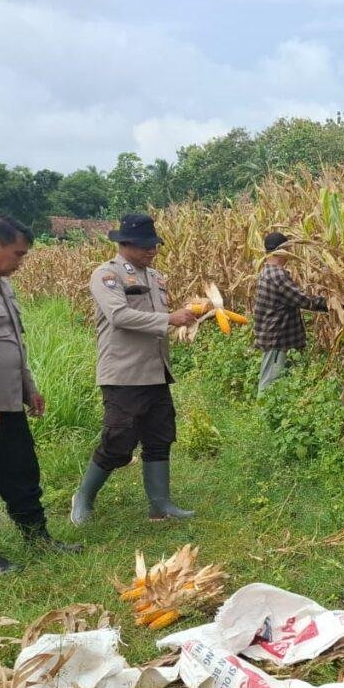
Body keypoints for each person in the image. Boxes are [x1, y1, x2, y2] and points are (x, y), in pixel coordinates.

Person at [70, 214, 197, 525]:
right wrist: (170, 319)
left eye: (153, 245)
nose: (151, 251)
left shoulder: (155, 278)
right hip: (124, 374)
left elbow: (157, 317)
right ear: (123, 244)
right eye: (143, 246)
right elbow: (119, 316)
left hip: (155, 372)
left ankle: (160, 505)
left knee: (160, 436)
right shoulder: (106, 275)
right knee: (118, 440)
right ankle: (83, 497)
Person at [0, 215, 80, 570]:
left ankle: (38, 539)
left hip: (9, 401)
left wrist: (29, 388)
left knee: (22, 471)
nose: (21, 262)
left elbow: (14, 345)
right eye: (17, 254)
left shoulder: (5, 286)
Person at [252, 232, 329, 393]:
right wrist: (332, 304)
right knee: (269, 384)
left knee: (279, 381)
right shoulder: (277, 275)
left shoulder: (266, 271)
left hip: (273, 336)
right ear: (283, 251)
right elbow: (302, 300)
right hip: (277, 339)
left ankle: (269, 413)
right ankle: (263, 416)